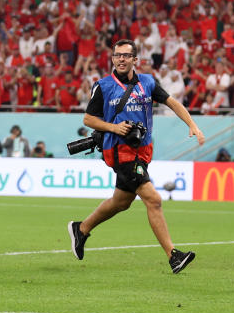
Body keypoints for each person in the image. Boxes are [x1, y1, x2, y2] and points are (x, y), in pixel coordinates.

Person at [68, 40, 205, 274]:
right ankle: (173, 255)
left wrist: (192, 124)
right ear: (112, 59)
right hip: (120, 152)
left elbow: (172, 102)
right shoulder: (103, 86)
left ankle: (81, 229)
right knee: (153, 199)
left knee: (121, 202)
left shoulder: (148, 82)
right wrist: (114, 127)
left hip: (141, 151)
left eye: (126, 55)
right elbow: (88, 119)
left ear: (135, 60)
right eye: (117, 55)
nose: (121, 59)